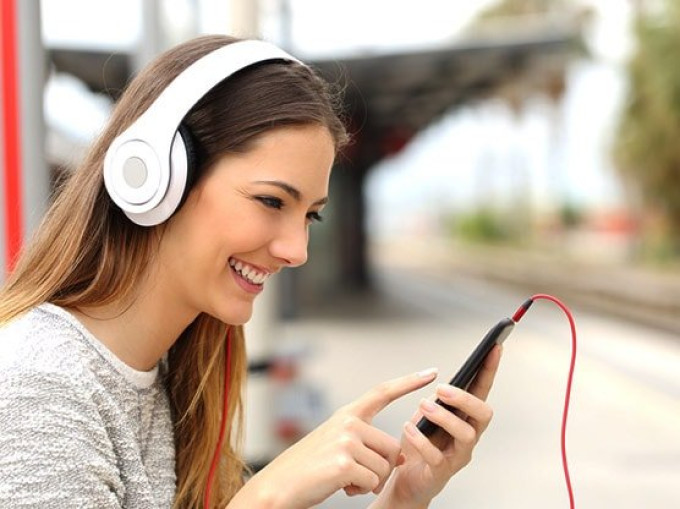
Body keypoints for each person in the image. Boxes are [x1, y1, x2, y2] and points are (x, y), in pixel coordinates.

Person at [0, 35, 501, 508]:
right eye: (270, 201)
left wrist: (400, 497)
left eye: (310, 215)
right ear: (155, 177)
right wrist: (267, 495)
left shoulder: (181, 371)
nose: (295, 249)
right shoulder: (38, 386)